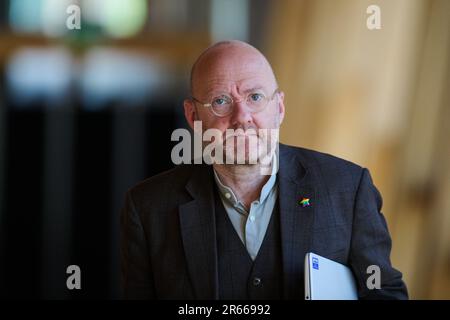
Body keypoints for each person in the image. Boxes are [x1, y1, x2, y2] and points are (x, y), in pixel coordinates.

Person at [120, 40, 408, 299]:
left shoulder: (348, 189)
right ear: (193, 116)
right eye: (220, 101)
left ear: (279, 108)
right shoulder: (148, 209)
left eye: (255, 97)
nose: (242, 117)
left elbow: (385, 294)